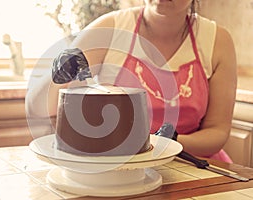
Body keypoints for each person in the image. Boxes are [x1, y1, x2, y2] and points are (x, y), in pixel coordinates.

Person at [26, 0, 237, 163]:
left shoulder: (217, 40)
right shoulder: (111, 28)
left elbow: (218, 131)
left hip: (192, 163)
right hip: (116, 166)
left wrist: (172, 142)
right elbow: (37, 107)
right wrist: (58, 76)